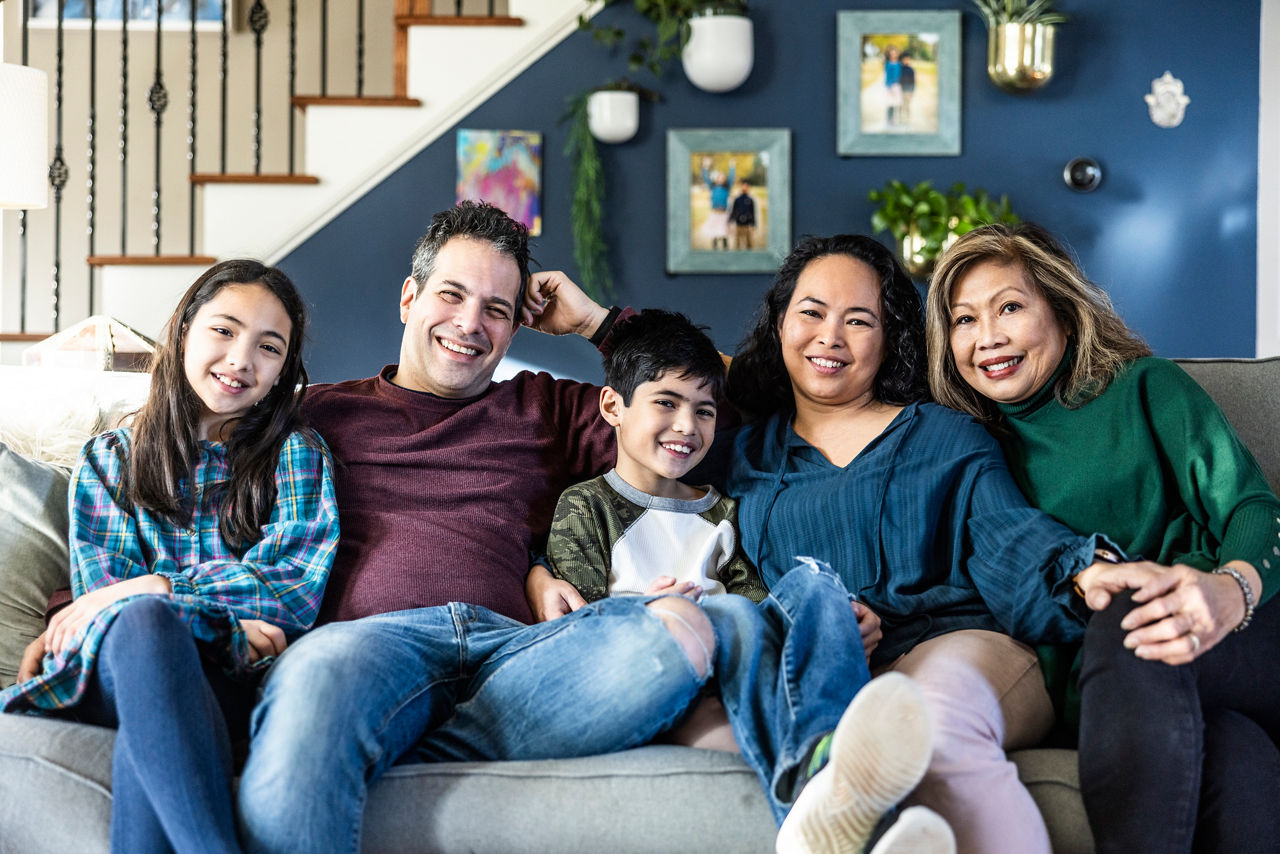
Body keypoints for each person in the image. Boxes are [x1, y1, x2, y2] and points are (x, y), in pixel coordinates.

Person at [235, 201, 738, 854]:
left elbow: (738, 411)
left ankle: (398, 750)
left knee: (674, 638)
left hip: (516, 662)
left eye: (496, 309)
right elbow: (186, 459)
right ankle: (382, 736)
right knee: (320, 669)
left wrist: (597, 322)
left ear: (512, 328)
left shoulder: (545, 407)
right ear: (409, 298)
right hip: (370, 655)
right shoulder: (316, 414)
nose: (470, 324)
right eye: (452, 295)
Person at [704, 233, 1125, 854]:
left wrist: (1084, 573)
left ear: (891, 337)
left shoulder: (947, 436)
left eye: (858, 320)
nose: (830, 336)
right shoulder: (736, 457)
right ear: (780, 325)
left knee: (924, 725)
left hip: (956, 645)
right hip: (826, 679)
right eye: (812, 313)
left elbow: (1007, 538)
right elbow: (635, 447)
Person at [927, 222, 1280, 854]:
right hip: (1118, 689)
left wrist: (1232, 591)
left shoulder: (1145, 388)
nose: (989, 338)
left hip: (1238, 631)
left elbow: (1255, 507)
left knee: (1129, 614)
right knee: (1239, 760)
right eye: (963, 320)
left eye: (1010, 307)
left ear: (1061, 310)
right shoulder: (963, 450)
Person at [545, 307, 952, 854]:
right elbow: (581, 629)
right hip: (664, 676)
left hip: (740, 671)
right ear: (613, 406)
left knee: (814, 584)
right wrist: (645, 609)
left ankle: (834, 770)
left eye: (705, 411)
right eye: (666, 402)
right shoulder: (585, 506)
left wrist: (828, 617)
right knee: (730, 617)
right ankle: (833, 799)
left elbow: (759, 606)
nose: (687, 427)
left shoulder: (723, 512)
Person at [2, 260, 340, 853]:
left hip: (235, 679)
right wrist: (167, 602)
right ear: (184, 330)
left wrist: (152, 587)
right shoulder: (110, 459)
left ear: (285, 368)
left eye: (269, 347)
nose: (241, 359)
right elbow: (104, 611)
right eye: (225, 330)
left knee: (156, 696)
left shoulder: (296, 452)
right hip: (127, 662)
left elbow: (292, 587)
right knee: (144, 630)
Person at [701, 157, 736, 250]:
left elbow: (732, 178)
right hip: (715, 213)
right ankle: (715, 248)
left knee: (724, 232)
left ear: (725, 179)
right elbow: (705, 178)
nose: (721, 179)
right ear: (716, 179)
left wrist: (732, 166)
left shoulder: (727, 187)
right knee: (715, 232)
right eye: (719, 177)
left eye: (722, 177)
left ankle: (725, 247)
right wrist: (705, 166)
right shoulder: (712, 187)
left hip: (724, 213)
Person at [731, 181, 757, 250]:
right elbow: (734, 210)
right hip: (738, 223)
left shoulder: (750, 200)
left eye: (746, 186)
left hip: (748, 224)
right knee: (737, 242)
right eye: (743, 186)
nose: (744, 188)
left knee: (749, 242)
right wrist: (731, 220)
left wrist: (753, 223)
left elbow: (752, 212)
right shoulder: (737, 199)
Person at [882, 46, 903, 128]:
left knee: (896, 104)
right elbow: (887, 76)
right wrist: (889, 88)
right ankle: (889, 120)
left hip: (897, 85)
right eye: (892, 53)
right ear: (889, 54)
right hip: (890, 86)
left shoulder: (899, 63)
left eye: (895, 53)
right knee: (890, 104)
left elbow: (900, 74)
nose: (893, 55)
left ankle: (894, 120)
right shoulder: (888, 64)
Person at [898, 53, 916, 127]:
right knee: (900, 105)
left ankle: (907, 119)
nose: (906, 60)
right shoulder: (900, 68)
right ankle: (900, 119)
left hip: (908, 90)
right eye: (904, 59)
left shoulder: (911, 69)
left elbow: (913, 81)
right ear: (902, 60)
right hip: (900, 89)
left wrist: (912, 92)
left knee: (907, 105)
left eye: (907, 59)